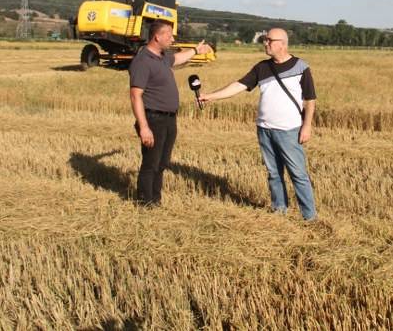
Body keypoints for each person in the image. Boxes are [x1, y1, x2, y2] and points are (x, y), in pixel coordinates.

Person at [199, 28, 317, 220]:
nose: (265, 43)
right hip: (264, 129)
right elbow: (239, 85)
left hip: (289, 131)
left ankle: (310, 217)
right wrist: (210, 97)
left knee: (298, 174)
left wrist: (307, 126)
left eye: (269, 40)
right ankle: (279, 211)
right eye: (265, 39)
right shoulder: (261, 67)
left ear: (282, 43)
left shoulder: (301, 67)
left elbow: (310, 100)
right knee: (273, 174)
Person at [129, 21, 212, 206]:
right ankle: (144, 203)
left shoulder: (162, 57)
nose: (172, 39)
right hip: (152, 119)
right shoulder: (143, 61)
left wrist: (196, 51)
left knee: (162, 163)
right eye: (169, 35)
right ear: (157, 37)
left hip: (168, 119)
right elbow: (135, 96)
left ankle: (155, 201)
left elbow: (178, 58)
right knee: (151, 163)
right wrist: (144, 127)